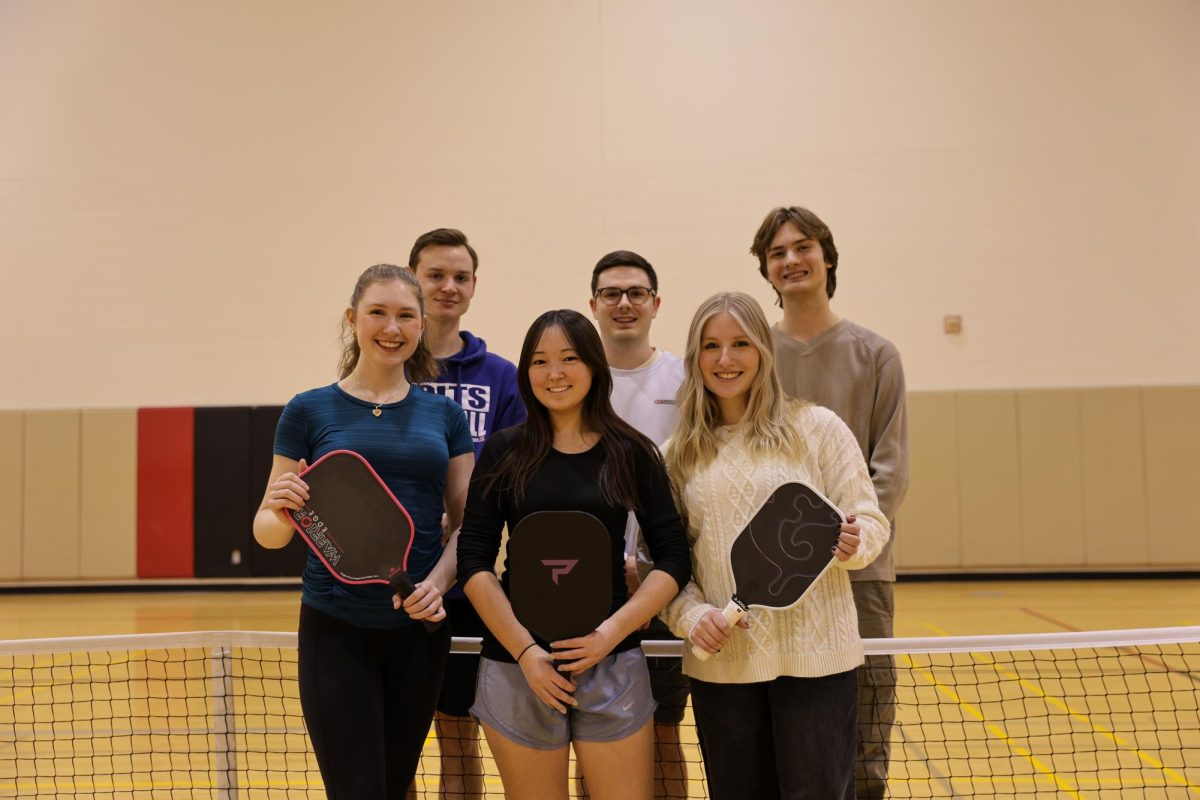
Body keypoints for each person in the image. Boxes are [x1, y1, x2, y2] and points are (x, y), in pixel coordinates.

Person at [253, 264, 475, 799]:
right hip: (334, 628)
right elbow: (267, 530)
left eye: (405, 315)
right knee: (355, 789)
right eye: (378, 312)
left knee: (396, 786)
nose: (391, 327)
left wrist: (438, 585)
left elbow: (469, 526)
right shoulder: (307, 410)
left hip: (419, 630)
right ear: (353, 319)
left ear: (422, 325)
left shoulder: (444, 416)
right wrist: (279, 510)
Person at [661, 291, 889, 800]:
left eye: (740, 343)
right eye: (711, 345)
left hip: (819, 663)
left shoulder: (819, 428)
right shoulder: (675, 455)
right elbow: (668, 565)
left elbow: (871, 520)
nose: (725, 359)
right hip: (724, 667)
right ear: (694, 357)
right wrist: (692, 617)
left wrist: (854, 542)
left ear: (764, 350)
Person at [457, 309, 691, 800]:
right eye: (540, 361)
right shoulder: (504, 452)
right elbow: (474, 561)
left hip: (611, 665)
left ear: (592, 366)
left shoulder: (631, 451)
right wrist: (525, 652)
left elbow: (672, 559)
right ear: (526, 372)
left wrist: (609, 634)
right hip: (517, 665)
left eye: (568, 358)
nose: (555, 373)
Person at [750, 205, 909, 799]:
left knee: (867, 717)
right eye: (777, 253)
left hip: (858, 572)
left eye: (803, 247)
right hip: (768, 574)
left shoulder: (876, 355)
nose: (791, 260)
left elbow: (889, 472)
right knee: (780, 718)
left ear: (828, 256)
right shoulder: (751, 353)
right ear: (767, 271)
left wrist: (843, 543)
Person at [409, 227, 526, 799]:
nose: (448, 287)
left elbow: (515, 475)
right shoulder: (389, 369)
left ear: (474, 286)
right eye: (436, 275)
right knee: (398, 738)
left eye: (460, 277)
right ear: (414, 281)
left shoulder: (502, 377)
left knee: (460, 733)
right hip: (394, 584)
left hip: (471, 585)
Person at [588, 250, 690, 798]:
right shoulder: (575, 378)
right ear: (593, 304)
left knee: (665, 730)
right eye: (611, 294)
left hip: (663, 584)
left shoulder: (686, 377)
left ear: (655, 303)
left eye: (635, 293)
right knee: (592, 734)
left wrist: (652, 566)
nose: (623, 303)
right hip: (587, 586)